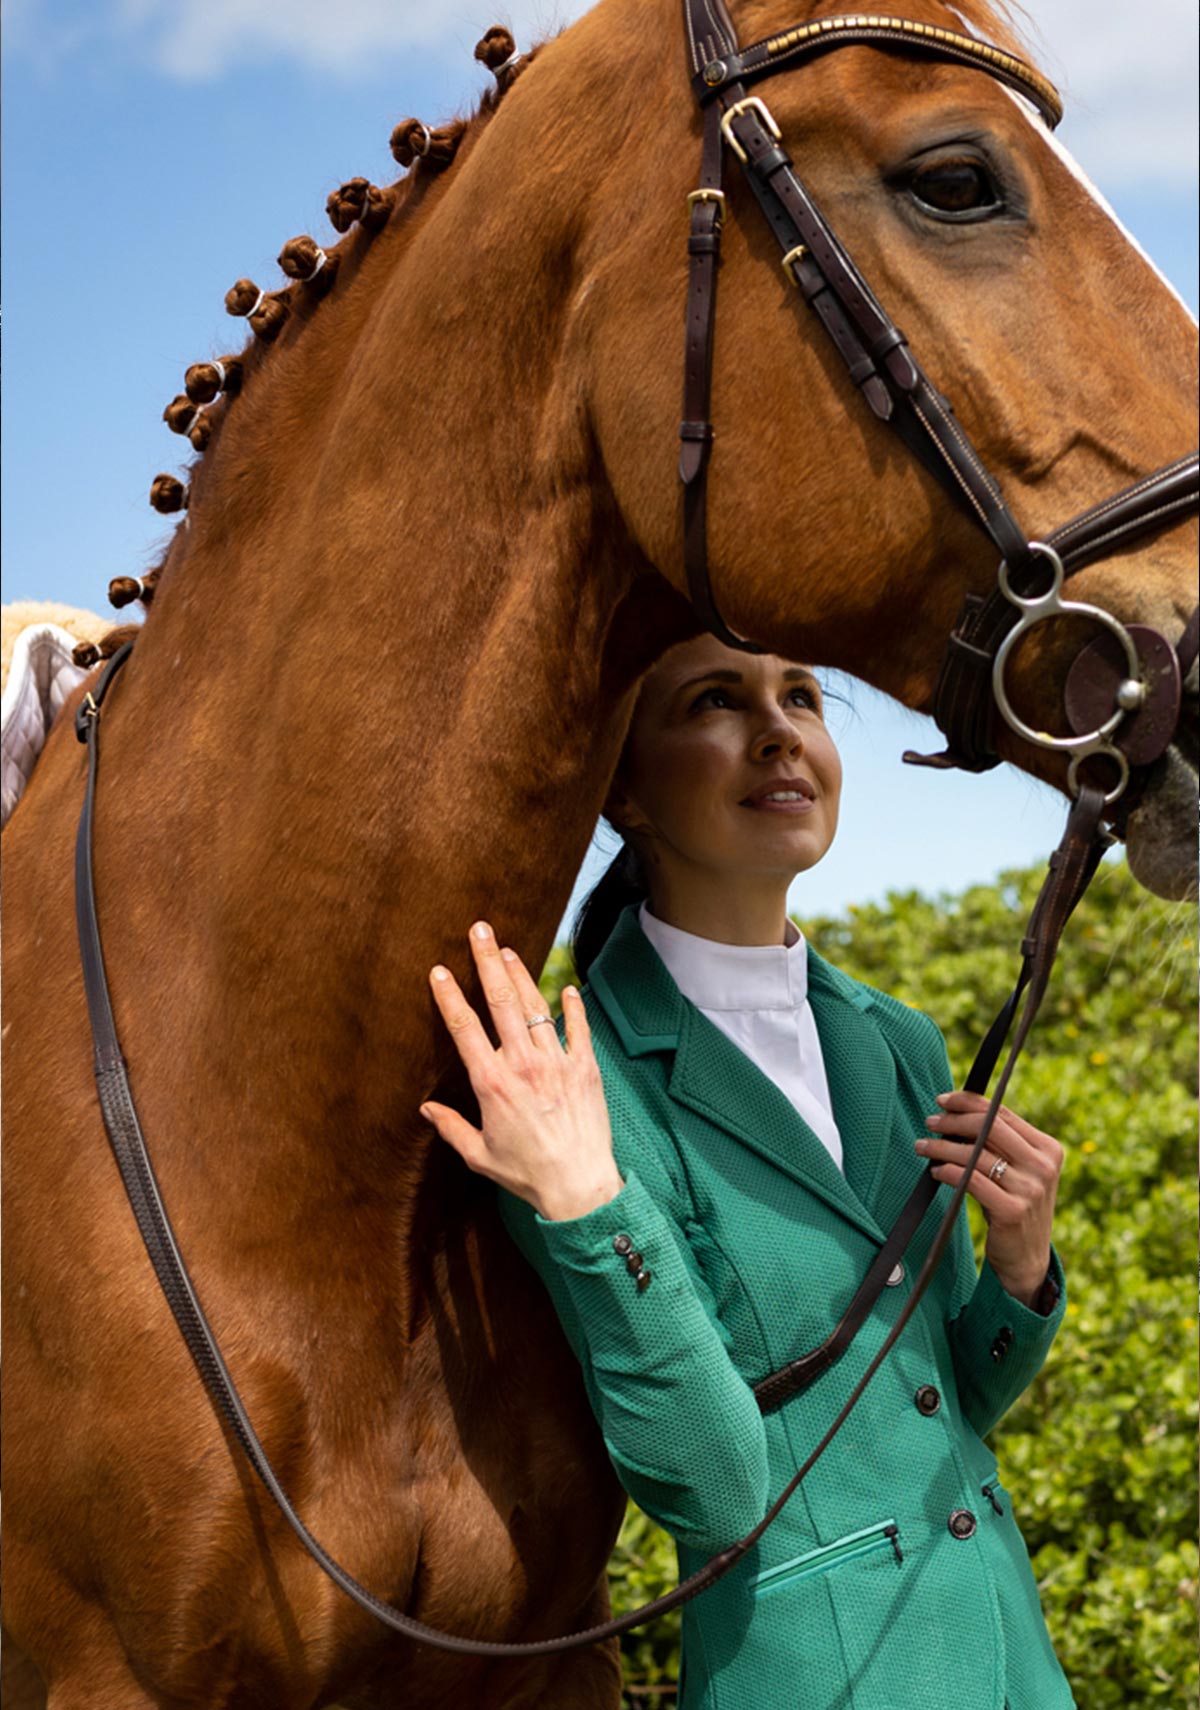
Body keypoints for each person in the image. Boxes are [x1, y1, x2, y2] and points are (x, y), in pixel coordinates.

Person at [420, 632, 1074, 1710]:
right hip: (815, 1679)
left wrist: (1020, 1272)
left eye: (804, 698)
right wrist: (590, 1205)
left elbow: (936, 1398)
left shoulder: (898, 1039)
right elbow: (717, 1496)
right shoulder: (575, 1089)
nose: (781, 733)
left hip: (1015, 1658)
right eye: (718, 701)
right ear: (621, 785)